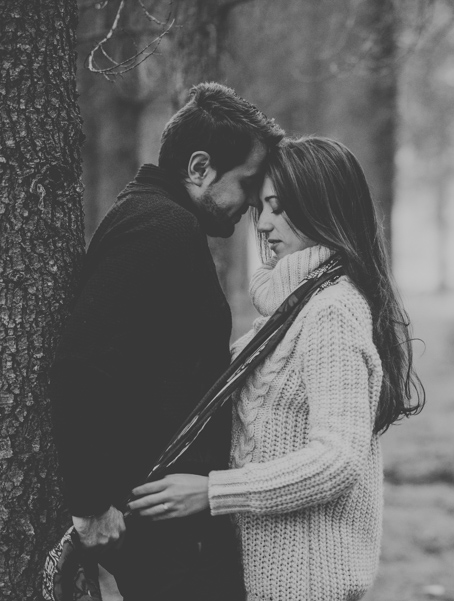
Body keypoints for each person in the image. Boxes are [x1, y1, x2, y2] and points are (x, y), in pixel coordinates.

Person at [127, 136, 424, 601]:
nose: (264, 224)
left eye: (279, 208)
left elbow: (337, 459)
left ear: (321, 209)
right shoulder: (292, 308)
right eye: (261, 208)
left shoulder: (331, 310)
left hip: (303, 585)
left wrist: (212, 492)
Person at [49, 82, 283, 600]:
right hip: (164, 532)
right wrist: (90, 504)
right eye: (248, 183)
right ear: (200, 168)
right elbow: (82, 367)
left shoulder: (156, 218)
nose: (252, 203)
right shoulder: (161, 227)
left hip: (175, 524)